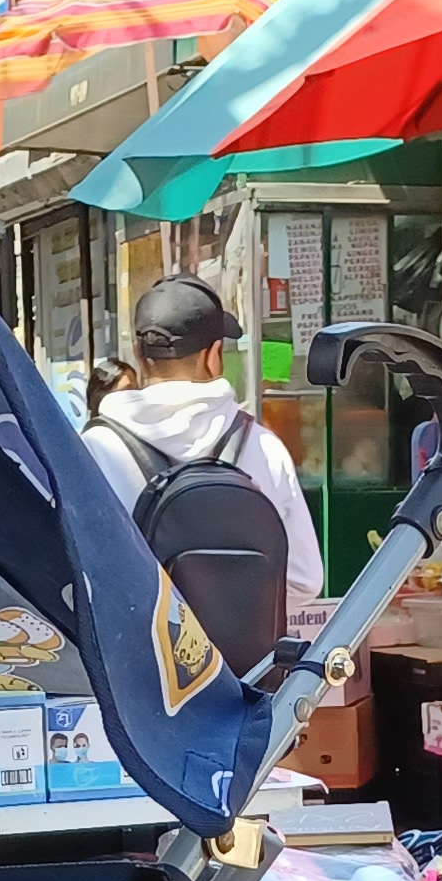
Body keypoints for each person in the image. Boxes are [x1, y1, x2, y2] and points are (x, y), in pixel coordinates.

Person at [82, 271, 323, 665]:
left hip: (137, 687)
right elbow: (305, 579)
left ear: (141, 357)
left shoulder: (94, 448)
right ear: (214, 356)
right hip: (243, 687)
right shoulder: (262, 446)